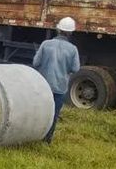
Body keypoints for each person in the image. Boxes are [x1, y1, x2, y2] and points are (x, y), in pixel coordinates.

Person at [33, 16, 81, 144]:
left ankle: (32, 135)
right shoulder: (73, 49)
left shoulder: (45, 44)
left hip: (43, 85)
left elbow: (35, 62)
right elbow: (75, 69)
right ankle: (46, 140)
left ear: (58, 29)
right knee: (53, 115)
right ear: (70, 32)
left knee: (40, 111)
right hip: (60, 87)